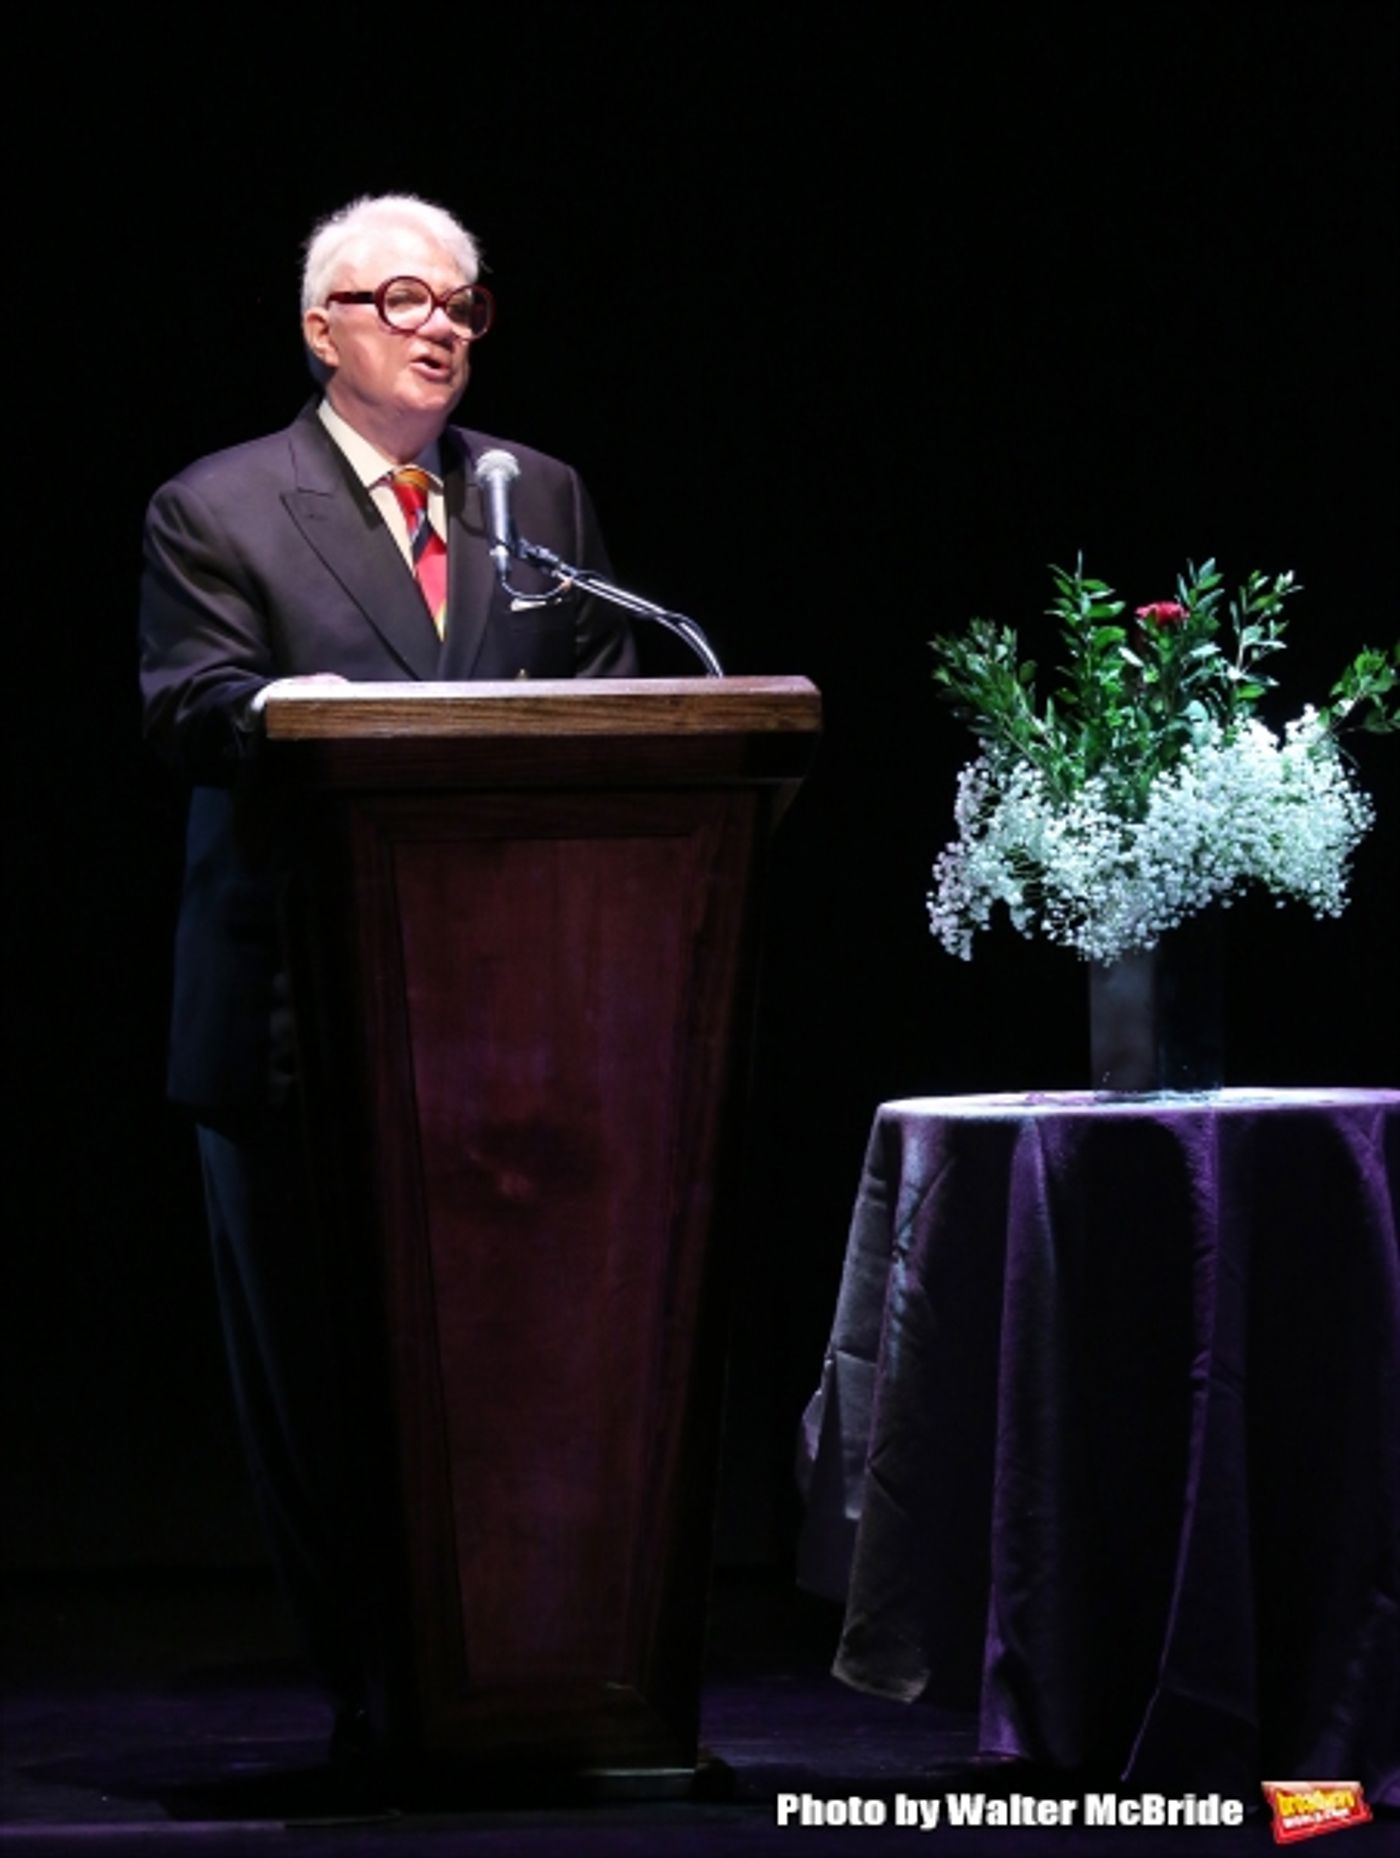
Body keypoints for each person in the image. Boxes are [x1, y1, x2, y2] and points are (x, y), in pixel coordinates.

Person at [139, 194, 638, 1757]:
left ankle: (528, 1677)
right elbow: (189, 704)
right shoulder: (219, 506)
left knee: (512, 1380)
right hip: (302, 1017)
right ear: (322, 329)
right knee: (329, 1380)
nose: (440, 328)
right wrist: (298, 712)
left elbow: (616, 698)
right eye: (403, 299)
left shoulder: (532, 494)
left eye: (463, 304)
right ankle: (378, 1686)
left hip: (516, 1019)